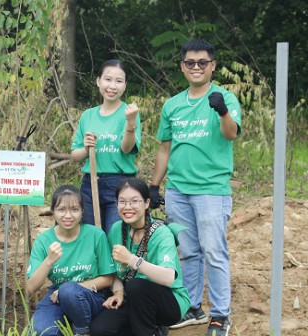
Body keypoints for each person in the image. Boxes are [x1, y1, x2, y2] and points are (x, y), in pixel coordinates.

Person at [149, 39, 241, 336]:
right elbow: (165, 148)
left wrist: (223, 112)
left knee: (214, 251)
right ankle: (191, 307)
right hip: (178, 190)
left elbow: (231, 135)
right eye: (191, 62)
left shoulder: (224, 97)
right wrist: (154, 185)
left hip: (211, 189)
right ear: (182, 67)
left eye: (203, 62)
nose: (197, 67)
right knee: (188, 251)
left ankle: (220, 315)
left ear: (213, 65)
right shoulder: (173, 104)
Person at [89, 178, 190, 336]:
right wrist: (118, 292)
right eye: (122, 201)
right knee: (99, 329)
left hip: (168, 302)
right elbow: (113, 270)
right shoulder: (117, 229)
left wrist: (131, 260)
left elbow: (168, 278)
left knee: (136, 285)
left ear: (146, 203)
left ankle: (151, 329)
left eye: (134, 201)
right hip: (133, 300)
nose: (127, 207)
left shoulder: (161, 233)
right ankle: (154, 330)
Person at [27, 185, 116, 336]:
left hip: (91, 296)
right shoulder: (44, 240)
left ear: (82, 212)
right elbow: (30, 287)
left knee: (69, 290)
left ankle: (83, 331)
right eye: (61, 209)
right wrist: (48, 261)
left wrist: (66, 291)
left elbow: (108, 279)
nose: (68, 215)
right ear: (53, 212)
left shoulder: (96, 235)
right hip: (56, 297)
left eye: (74, 209)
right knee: (41, 331)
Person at [71, 60, 141, 235]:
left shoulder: (129, 113)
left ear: (125, 85)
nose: (112, 86)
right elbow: (75, 155)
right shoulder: (88, 115)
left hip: (119, 184)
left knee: (114, 234)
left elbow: (126, 148)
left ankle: (116, 264)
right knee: (90, 236)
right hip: (90, 183)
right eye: (108, 79)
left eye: (119, 81)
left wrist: (130, 123)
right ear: (98, 81)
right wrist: (86, 148)